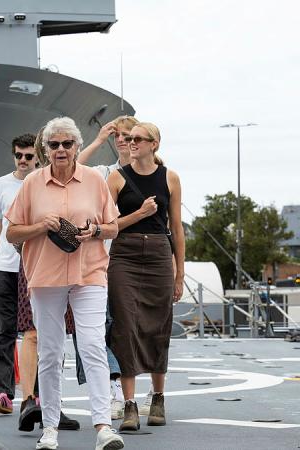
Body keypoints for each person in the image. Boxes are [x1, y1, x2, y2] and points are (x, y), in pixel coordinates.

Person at [6, 117, 124, 450]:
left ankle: (103, 427)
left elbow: (113, 226)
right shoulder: (31, 183)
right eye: (54, 144)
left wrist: (95, 231)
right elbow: (12, 231)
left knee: (92, 346)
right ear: (45, 149)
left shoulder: (94, 180)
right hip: (45, 275)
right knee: (50, 351)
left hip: (89, 272)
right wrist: (40, 225)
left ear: (76, 146)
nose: (61, 150)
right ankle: (50, 430)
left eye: (67, 144)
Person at [106, 122, 185, 431]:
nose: (131, 142)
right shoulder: (116, 178)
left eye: (138, 138)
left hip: (158, 256)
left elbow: (176, 228)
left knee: (159, 326)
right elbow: (107, 224)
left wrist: (180, 273)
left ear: (155, 144)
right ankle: (129, 405)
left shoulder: (171, 178)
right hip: (124, 255)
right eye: (128, 138)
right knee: (125, 326)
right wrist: (138, 214)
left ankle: (159, 398)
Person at [75, 115, 141, 419]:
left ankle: (142, 391)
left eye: (129, 136)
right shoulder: (104, 172)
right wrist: (99, 139)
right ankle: (112, 389)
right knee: (96, 328)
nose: (123, 141)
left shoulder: (150, 175)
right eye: (118, 136)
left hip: (134, 260)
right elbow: (75, 166)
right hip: (100, 260)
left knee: (126, 328)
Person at [0, 134, 39, 426]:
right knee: (3, 330)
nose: (23, 161)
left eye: (29, 156)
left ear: (37, 157)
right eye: (19, 155)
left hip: (38, 267)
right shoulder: (0, 185)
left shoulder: (43, 181)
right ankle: (2, 392)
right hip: (7, 267)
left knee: (38, 333)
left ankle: (38, 394)